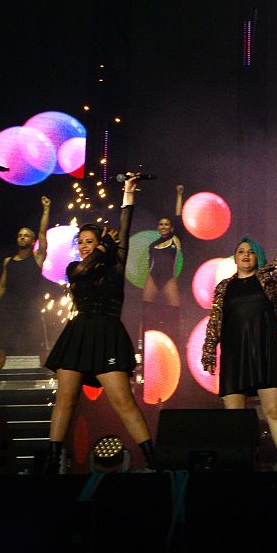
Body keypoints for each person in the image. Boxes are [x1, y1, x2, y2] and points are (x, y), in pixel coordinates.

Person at [43, 175, 156, 473]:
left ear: (100, 242)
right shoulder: (74, 268)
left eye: (88, 241)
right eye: (80, 242)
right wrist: (101, 248)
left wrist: (128, 194)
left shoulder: (115, 263)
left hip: (107, 332)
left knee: (123, 401)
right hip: (78, 333)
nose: (83, 246)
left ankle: (153, 461)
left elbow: (125, 225)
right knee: (65, 400)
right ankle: (53, 463)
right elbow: (82, 271)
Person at [201, 197, 277, 471]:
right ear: (235, 257)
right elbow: (215, 322)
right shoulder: (224, 287)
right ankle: (238, 466)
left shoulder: (269, 278)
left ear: (258, 256)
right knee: (234, 418)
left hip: (264, 351)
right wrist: (209, 350)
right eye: (240, 251)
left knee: (273, 411)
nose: (245, 255)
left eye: (250, 251)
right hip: (235, 355)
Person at [0, 195, 51, 371]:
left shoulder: (37, 258)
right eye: (20, 235)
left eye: (26, 236)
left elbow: (42, 233)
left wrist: (46, 210)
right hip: (9, 310)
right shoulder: (8, 261)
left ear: (32, 241)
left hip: (30, 309)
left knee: (41, 347)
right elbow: (2, 285)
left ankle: (47, 380)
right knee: (0, 349)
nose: (22, 237)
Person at [141, 185, 186, 341]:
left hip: (168, 278)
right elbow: (150, 262)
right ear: (158, 228)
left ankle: (174, 340)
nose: (164, 226)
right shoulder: (152, 245)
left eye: (167, 224)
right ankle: (147, 339)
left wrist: (179, 195)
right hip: (153, 277)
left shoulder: (175, 239)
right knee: (146, 309)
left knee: (174, 310)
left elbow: (178, 217)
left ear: (171, 227)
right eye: (161, 224)